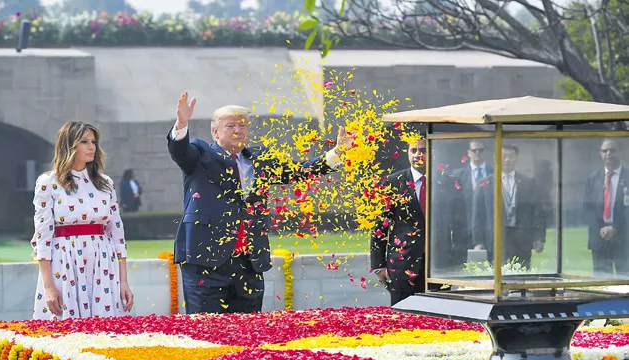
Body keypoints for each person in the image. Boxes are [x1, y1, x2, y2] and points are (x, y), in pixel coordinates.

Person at [167, 92, 353, 314]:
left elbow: (298, 171)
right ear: (215, 132)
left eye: (242, 125)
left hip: (248, 261)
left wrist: (337, 152)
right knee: (206, 328)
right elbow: (180, 151)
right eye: (230, 126)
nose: (238, 130)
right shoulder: (200, 154)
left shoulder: (260, 158)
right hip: (206, 261)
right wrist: (181, 123)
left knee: (250, 330)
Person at [30, 121, 134, 319]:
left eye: (93, 141)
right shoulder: (48, 183)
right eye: (84, 141)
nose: (91, 146)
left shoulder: (106, 184)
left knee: (107, 329)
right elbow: (43, 237)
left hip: (103, 262)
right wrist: (49, 286)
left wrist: (124, 282)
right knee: (63, 331)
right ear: (69, 146)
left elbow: (117, 235)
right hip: (64, 261)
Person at [370, 138, 466, 305]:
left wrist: (458, 263)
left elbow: (459, 226)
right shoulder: (393, 183)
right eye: (413, 150)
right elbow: (380, 227)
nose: (417, 155)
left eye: (422, 150)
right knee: (404, 320)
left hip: (439, 266)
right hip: (401, 265)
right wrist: (379, 265)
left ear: (432, 153)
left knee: (438, 321)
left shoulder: (448, 182)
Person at [473, 144, 546, 266]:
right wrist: (478, 242)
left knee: (521, 278)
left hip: (522, 241)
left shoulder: (528, 183)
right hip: (495, 241)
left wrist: (539, 238)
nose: (507, 160)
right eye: (503, 156)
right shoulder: (484, 184)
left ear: (516, 158)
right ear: (496, 158)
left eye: (511, 156)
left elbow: (537, 212)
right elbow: (478, 215)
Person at [584, 138, 628, 275]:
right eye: (605, 151)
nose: (608, 153)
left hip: (624, 239)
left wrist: (616, 228)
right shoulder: (592, 179)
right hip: (599, 240)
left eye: (612, 150)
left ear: (620, 152)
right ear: (600, 154)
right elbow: (587, 207)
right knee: (601, 284)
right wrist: (603, 230)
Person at [452, 139, 493, 247]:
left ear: (486, 152)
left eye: (481, 150)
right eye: (474, 150)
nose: (477, 153)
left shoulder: (495, 174)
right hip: (464, 231)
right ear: (468, 153)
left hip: (488, 231)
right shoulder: (458, 176)